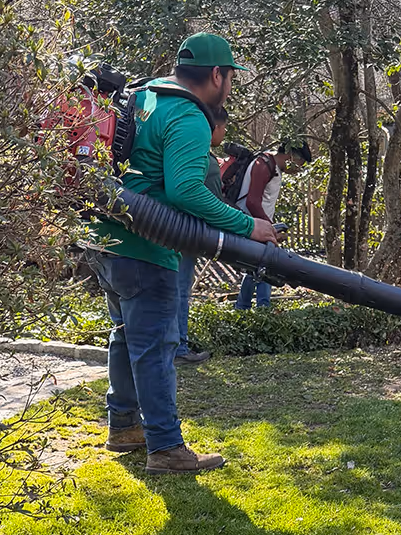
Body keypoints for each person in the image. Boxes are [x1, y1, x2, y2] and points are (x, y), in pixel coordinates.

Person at [86, 33, 277, 475]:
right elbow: (187, 190)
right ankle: (166, 447)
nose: (230, 84)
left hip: (108, 240)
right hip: (148, 248)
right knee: (157, 346)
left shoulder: (143, 96)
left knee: (124, 334)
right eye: (230, 76)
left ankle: (124, 426)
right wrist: (250, 226)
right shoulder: (190, 116)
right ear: (216, 75)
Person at [173, 108, 229, 365]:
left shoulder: (178, 153)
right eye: (223, 127)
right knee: (180, 292)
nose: (225, 132)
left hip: (167, 234)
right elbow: (216, 206)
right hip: (188, 237)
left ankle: (172, 344)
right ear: (211, 128)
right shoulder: (207, 163)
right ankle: (179, 347)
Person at [234, 140, 314, 310]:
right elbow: (252, 202)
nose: (297, 170)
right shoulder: (263, 165)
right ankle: (256, 308)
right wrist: (270, 229)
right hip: (251, 224)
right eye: (298, 165)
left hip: (260, 225)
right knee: (263, 266)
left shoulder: (274, 168)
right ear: (290, 155)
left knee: (257, 268)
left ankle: (247, 308)